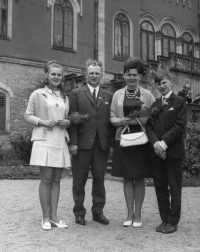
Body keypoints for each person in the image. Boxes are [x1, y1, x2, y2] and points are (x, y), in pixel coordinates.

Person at [24, 60, 71, 230]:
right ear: (47, 75)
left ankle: (54, 216)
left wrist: (68, 122)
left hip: (60, 139)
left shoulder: (65, 97)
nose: (56, 77)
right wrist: (43, 121)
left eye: (59, 74)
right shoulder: (37, 94)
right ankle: (44, 217)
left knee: (57, 180)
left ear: (62, 77)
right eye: (53, 74)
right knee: (46, 179)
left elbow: (68, 117)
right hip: (44, 140)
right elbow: (28, 115)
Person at [110, 57, 155, 228]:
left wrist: (142, 121)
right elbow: (112, 115)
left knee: (140, 177)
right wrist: (120, 121)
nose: (131, 78)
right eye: (128, 74)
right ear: (124, 75)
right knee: (127, 177)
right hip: (123, 139)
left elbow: (153, 116)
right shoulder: (117, 95)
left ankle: (138, 214)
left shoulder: (147, 95)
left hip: (141, 141)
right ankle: (129, 213)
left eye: (135, 75)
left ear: (140, 76)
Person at [68, 59, 114, 226]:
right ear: (86, 74)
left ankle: (98, 211)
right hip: (81, 144)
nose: (94, 76)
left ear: (101, 75)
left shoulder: (108, 96)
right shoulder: (76, 93)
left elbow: (110, 122)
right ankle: (79, 212)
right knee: (79, 179)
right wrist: (73, 143)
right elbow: (72, 119)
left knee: (99, 179)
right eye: (91, 73)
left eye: (97, 73)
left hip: (101, 144)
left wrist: (110, 144)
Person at [146, 70, 187, 234]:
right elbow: (148, 127)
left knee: (174, 187)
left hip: (173, 152)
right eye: (158, 83)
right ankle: (164, 219)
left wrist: (163, 144)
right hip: (156, 153)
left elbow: (180, 127)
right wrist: (156, 143)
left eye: (164, 82)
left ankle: (173, 221)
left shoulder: (180, 102)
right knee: (160, 187)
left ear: (170, 82)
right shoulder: (155, 105)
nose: (161, 86)